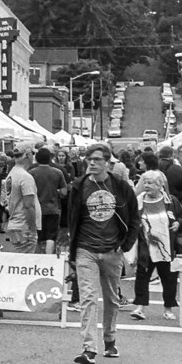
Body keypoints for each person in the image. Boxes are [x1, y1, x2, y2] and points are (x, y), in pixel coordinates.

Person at [68, 142, 140, 363]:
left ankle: (110, 340)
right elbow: (71, 219)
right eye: (89, 159)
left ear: (108, 163)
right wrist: (72, 249)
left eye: (97, 160)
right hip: (85, 249)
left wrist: (125, 245)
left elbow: (134, 218)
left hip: (112, 250)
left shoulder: (120, 186)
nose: (92, 163)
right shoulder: (79, 186)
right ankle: (89, 348)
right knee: (88, 298)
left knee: (111, 299)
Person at [129, 170, 180, 321]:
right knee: (142, 276)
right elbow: (132, 220)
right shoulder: (138, 201)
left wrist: (178, 223)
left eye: (150, 183)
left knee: (169, 279)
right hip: (146, 246)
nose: (146, 186)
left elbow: (180, 217)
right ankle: (140, 308)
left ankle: (168, 309)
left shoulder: (170, 201)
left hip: (166, 247)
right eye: (145, 182)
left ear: (160, 185)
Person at [30, 147, 68, 254]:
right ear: (50, 158)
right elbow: (64, 192)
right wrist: (56, 191)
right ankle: (49, 258)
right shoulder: (58, 172)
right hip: (53, 209)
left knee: (37, 236)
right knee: (51, 236)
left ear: (37, 158)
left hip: (37, 209)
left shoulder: (31, 173)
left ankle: (39, 259)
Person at [4, 148, 41, 254]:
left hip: (15, 222)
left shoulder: (12, 173)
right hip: (24, 225)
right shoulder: (25, 177)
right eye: (32, 154)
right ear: (27, 155)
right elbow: (29, 205)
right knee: (25, 260)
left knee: (19, 258)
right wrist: (33, 228)